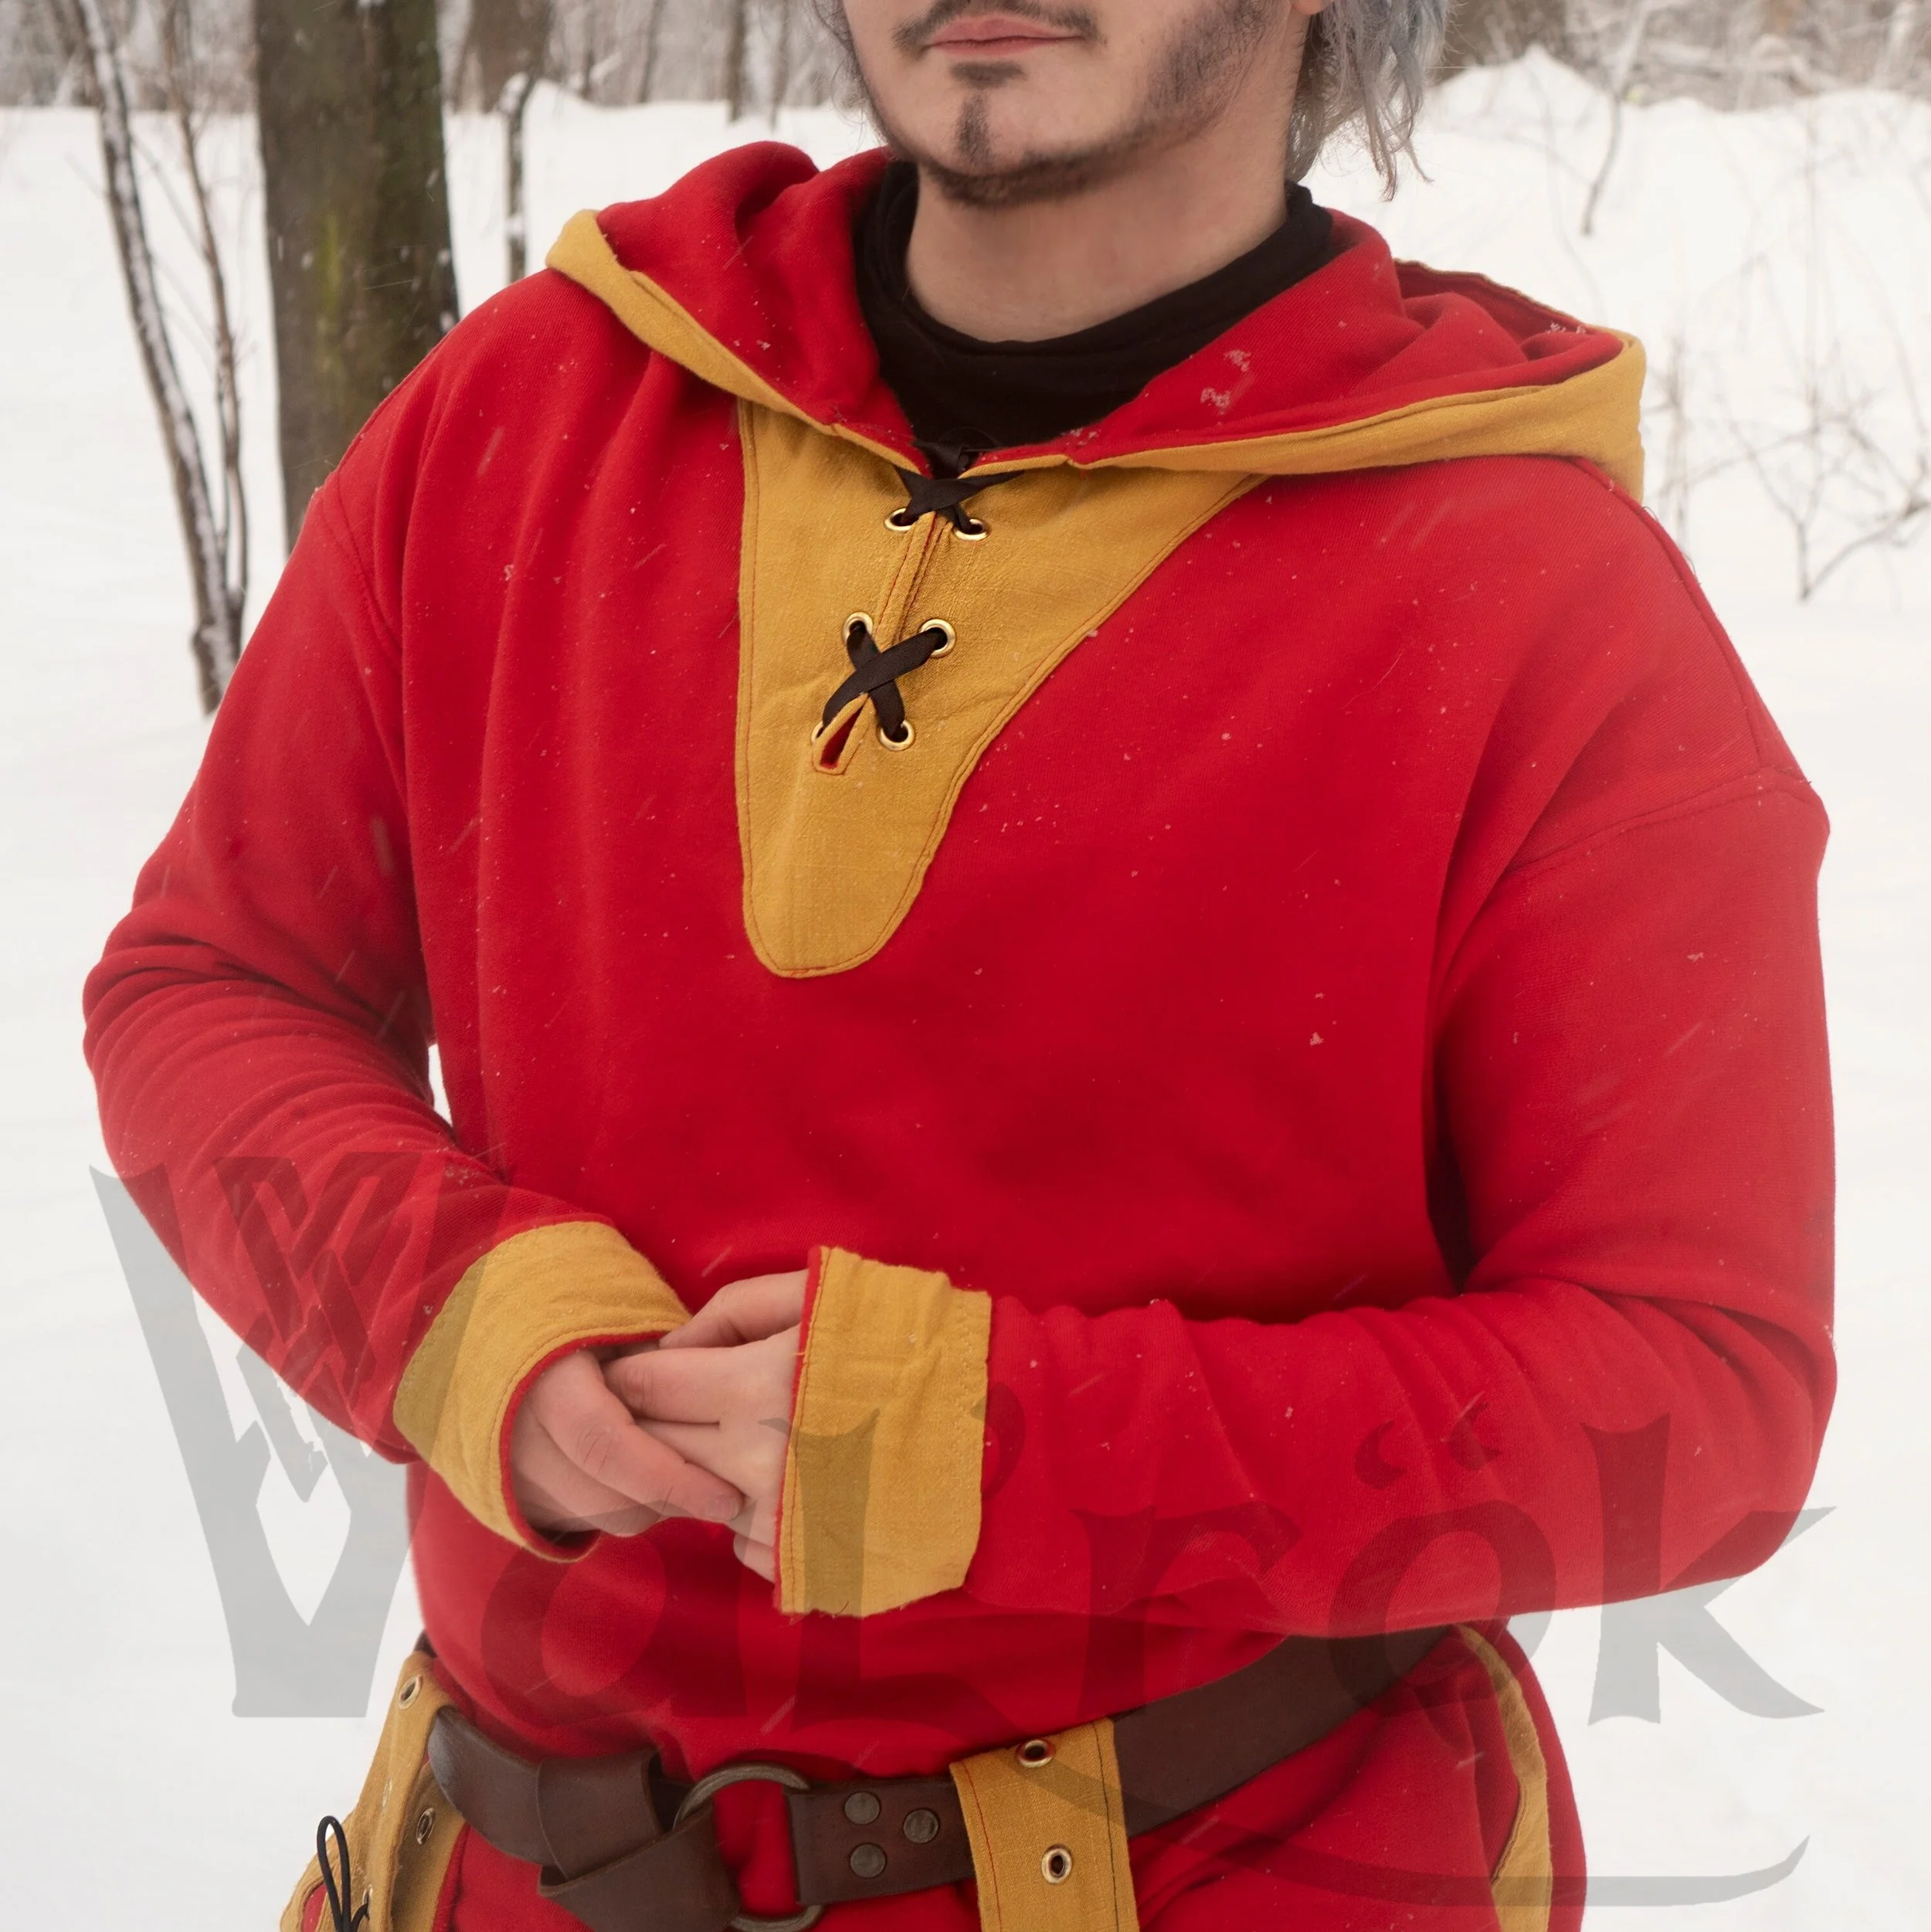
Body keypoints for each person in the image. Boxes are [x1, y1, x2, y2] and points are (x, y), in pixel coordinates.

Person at [84, 2, 1835, 1929]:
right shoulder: (533, 406)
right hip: (513, 1871)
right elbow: (212, 982)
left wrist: (1004, 1452)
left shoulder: (1540, 599)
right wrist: (452, 1307)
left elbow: (1696, 1398)